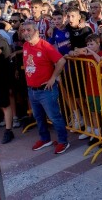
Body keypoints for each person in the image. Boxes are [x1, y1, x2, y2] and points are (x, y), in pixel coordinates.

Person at [22, 20, 69, 154]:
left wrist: (52, 78)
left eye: (28, 30)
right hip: (32, 89)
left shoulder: (45, 46)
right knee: (39, 117)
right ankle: (45, 139)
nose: (25, 33)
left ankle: (63, 141)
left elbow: (61, 61)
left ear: (36, 32)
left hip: (46, 91)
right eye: (23, 30)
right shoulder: (25, 45)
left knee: (54, 117)